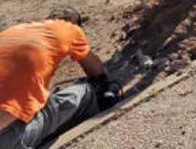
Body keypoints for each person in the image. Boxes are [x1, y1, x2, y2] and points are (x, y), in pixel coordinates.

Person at [0, 9, 121, 149]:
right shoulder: (70, 29)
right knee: (85, 91)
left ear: (47, 18)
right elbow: (97, 71)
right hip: (7, 139)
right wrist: (100, 79)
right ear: (74, 23)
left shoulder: (13, 31)